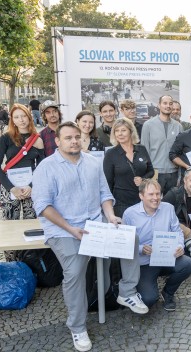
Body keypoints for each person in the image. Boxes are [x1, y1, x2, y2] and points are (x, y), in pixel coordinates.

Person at [31, 122, 146, 352]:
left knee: (130, 238)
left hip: (95, 222)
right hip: (64, 230)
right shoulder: (46, 167)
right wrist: (72, 230)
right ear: (57, 141)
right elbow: (43, 206)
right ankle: (77, 326)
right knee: (74, 273)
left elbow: (105, 194)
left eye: (77, 137)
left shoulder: (93, 162)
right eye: (68, 138)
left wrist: (111, 216)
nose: (74, 141)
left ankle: (127, 291)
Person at [122, 179, 191, 311]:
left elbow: (177, 231)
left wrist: (180, 246)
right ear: (141, 196)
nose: (155, 198)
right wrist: (140, 249)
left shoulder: (168, 208)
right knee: (148, 299)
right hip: (144, 263)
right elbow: (125, 243)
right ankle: (150, 286)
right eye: (151, 194)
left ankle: (168, 292)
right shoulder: (129, 214)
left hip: (166, 257)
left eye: (158, 194)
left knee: (188, 264)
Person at [0, 103, 45, 225]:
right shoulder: (5, 138)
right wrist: (11, 188)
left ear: (29, 117)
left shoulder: (37, 140)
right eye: (16, 117)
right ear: (12, 120)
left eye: (23, 116)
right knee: (9, 224)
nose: (21, 120)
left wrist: (31, 186)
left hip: (31, 187)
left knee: (33, 223)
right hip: (10, 186)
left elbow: (42, 168)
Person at [103, 118, 154, 217]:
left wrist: (143, 179)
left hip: (142, 200)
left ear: (131, 131)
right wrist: (109, 208)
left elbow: (151, 171)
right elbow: (108, 183)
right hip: (121, 203)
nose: (120, 134)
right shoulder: (111, 154)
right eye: (116, 131)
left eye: (123, 130)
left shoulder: (141, 149)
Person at [141, 95, 181, 195]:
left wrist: (180, 176)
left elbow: (181, 152)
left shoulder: (178, 126)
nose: (168, 106)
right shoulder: (148, 125)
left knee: (171, 204)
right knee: (154, 203)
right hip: (155, 173)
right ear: (159, 105)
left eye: (170, 103)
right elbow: (144, 151)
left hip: (173, 173)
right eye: (165, 103)